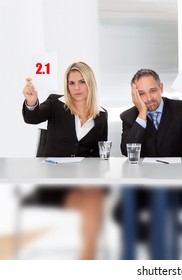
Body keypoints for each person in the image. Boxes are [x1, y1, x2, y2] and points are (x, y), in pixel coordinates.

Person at [113, 68, 182, 259]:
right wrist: (142, 115)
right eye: (141, 93)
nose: (148, 98)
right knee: (120, 213)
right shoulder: (129, 116)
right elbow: (127, 151)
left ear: (161, 87)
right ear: (135, 95)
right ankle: (155, 240)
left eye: (152, 90)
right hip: (146, 185)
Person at [22, 62, 108, 259]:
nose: (76, 88)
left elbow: (98, 155)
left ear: (91, 84)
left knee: (96, 195)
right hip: (53, 183)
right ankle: (88, 257)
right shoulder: (55, 104)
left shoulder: (101, 115)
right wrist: (32, 102)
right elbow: (33, 117)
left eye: (81, 82)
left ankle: (87, 255)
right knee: (95, 201)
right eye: (71, 83)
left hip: (84, 183)